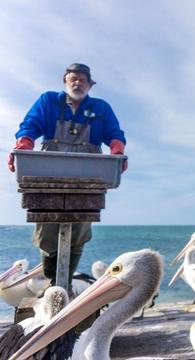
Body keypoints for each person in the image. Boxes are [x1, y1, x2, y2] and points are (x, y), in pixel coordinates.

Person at [7, 63, 127, 290]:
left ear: (90, 84)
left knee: (79, 231)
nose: (78, 83)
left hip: (88, 181)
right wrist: (23, 145)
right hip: (48, 179)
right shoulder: (49, 101)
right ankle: (53, 282)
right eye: (73, 78)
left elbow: (115, 134)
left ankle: (64, 284)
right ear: (65, 81)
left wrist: (118, 152)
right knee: (46, 233)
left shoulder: (101, 108)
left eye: (83, 79)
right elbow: (30, 125)